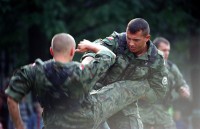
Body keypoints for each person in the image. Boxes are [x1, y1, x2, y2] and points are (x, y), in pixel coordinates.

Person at [5, 33, 149, 129]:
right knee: (121, 89)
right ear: (72, 52)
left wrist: (19, 126)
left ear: (51, 51)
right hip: (86, 118)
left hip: (54, 123)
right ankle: (148, 85)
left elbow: (12, 98)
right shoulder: (81, 71)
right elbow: (108, 55)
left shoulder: (34, 71)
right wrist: (90, 46)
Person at [81, 18, 168, 129]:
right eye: (129, 38)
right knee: (85, 121)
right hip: (97, 93)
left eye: (136, 40)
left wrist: (135, 91)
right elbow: (97, 48)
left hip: (125, 104)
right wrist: (86, 62)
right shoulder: (119, 41)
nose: (131, 43)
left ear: (147, 38)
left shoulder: (156, 59)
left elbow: (159, 91)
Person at [138, 37, 190, 129]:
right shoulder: (142, 65)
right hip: (143, 115)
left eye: (168, 50)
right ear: (155, 50)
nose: (167, 53)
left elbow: (181, 84)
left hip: (163, 116)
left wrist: (184, 90)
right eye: (164, 50)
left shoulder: (171, 68)